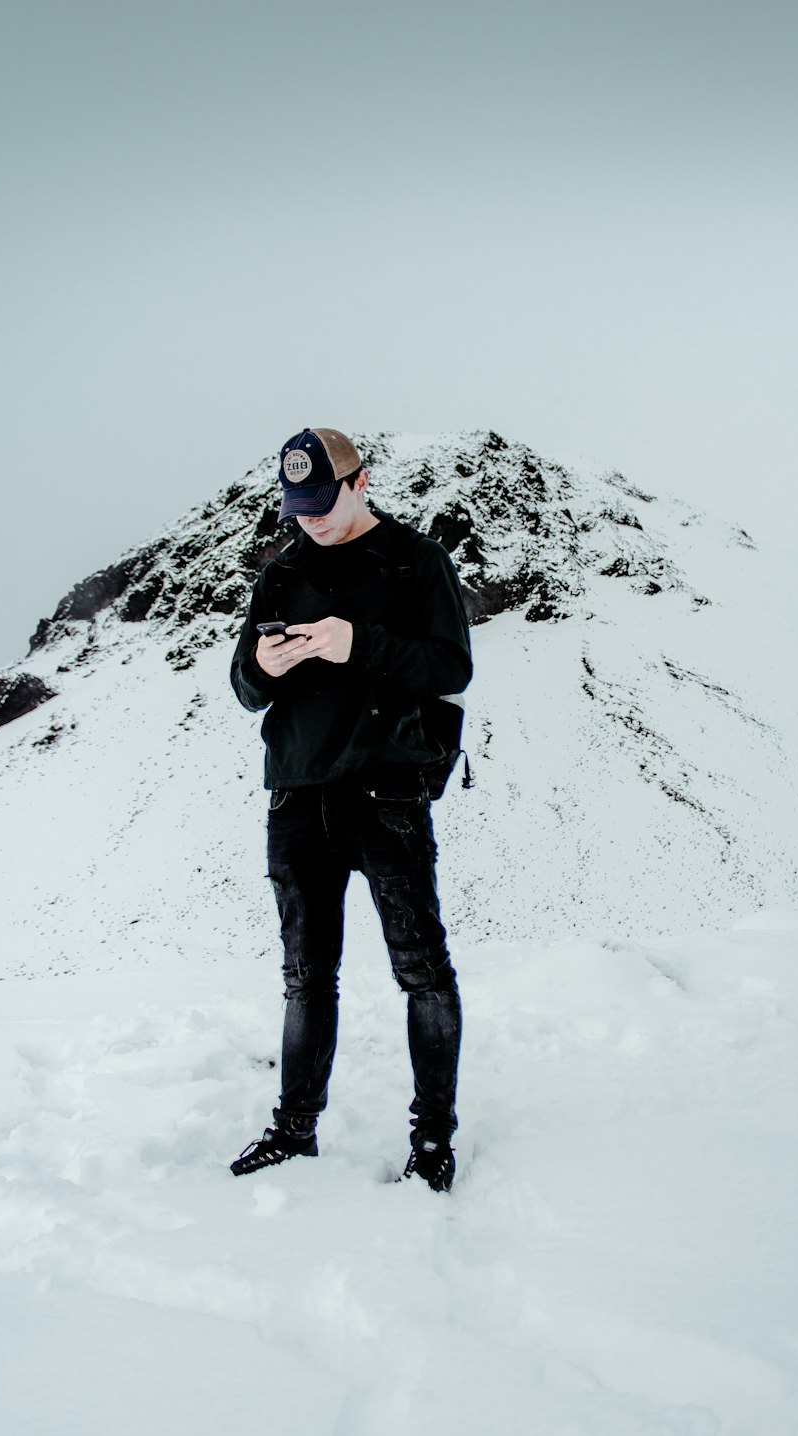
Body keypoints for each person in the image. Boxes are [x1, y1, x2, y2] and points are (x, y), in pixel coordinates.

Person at [228, 427, 472, 1191]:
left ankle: (432, 1138)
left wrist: (356, 642)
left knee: (421, 969)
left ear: (360, 483)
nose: (311, 521)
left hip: (386, 792)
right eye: (297, 508)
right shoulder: (280, 573)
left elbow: (450, 667)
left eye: (323, 503)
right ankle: (293, 1131)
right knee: (307, 976)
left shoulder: (414, 561)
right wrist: (261, 668)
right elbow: (243, 687)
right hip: (298, 796)